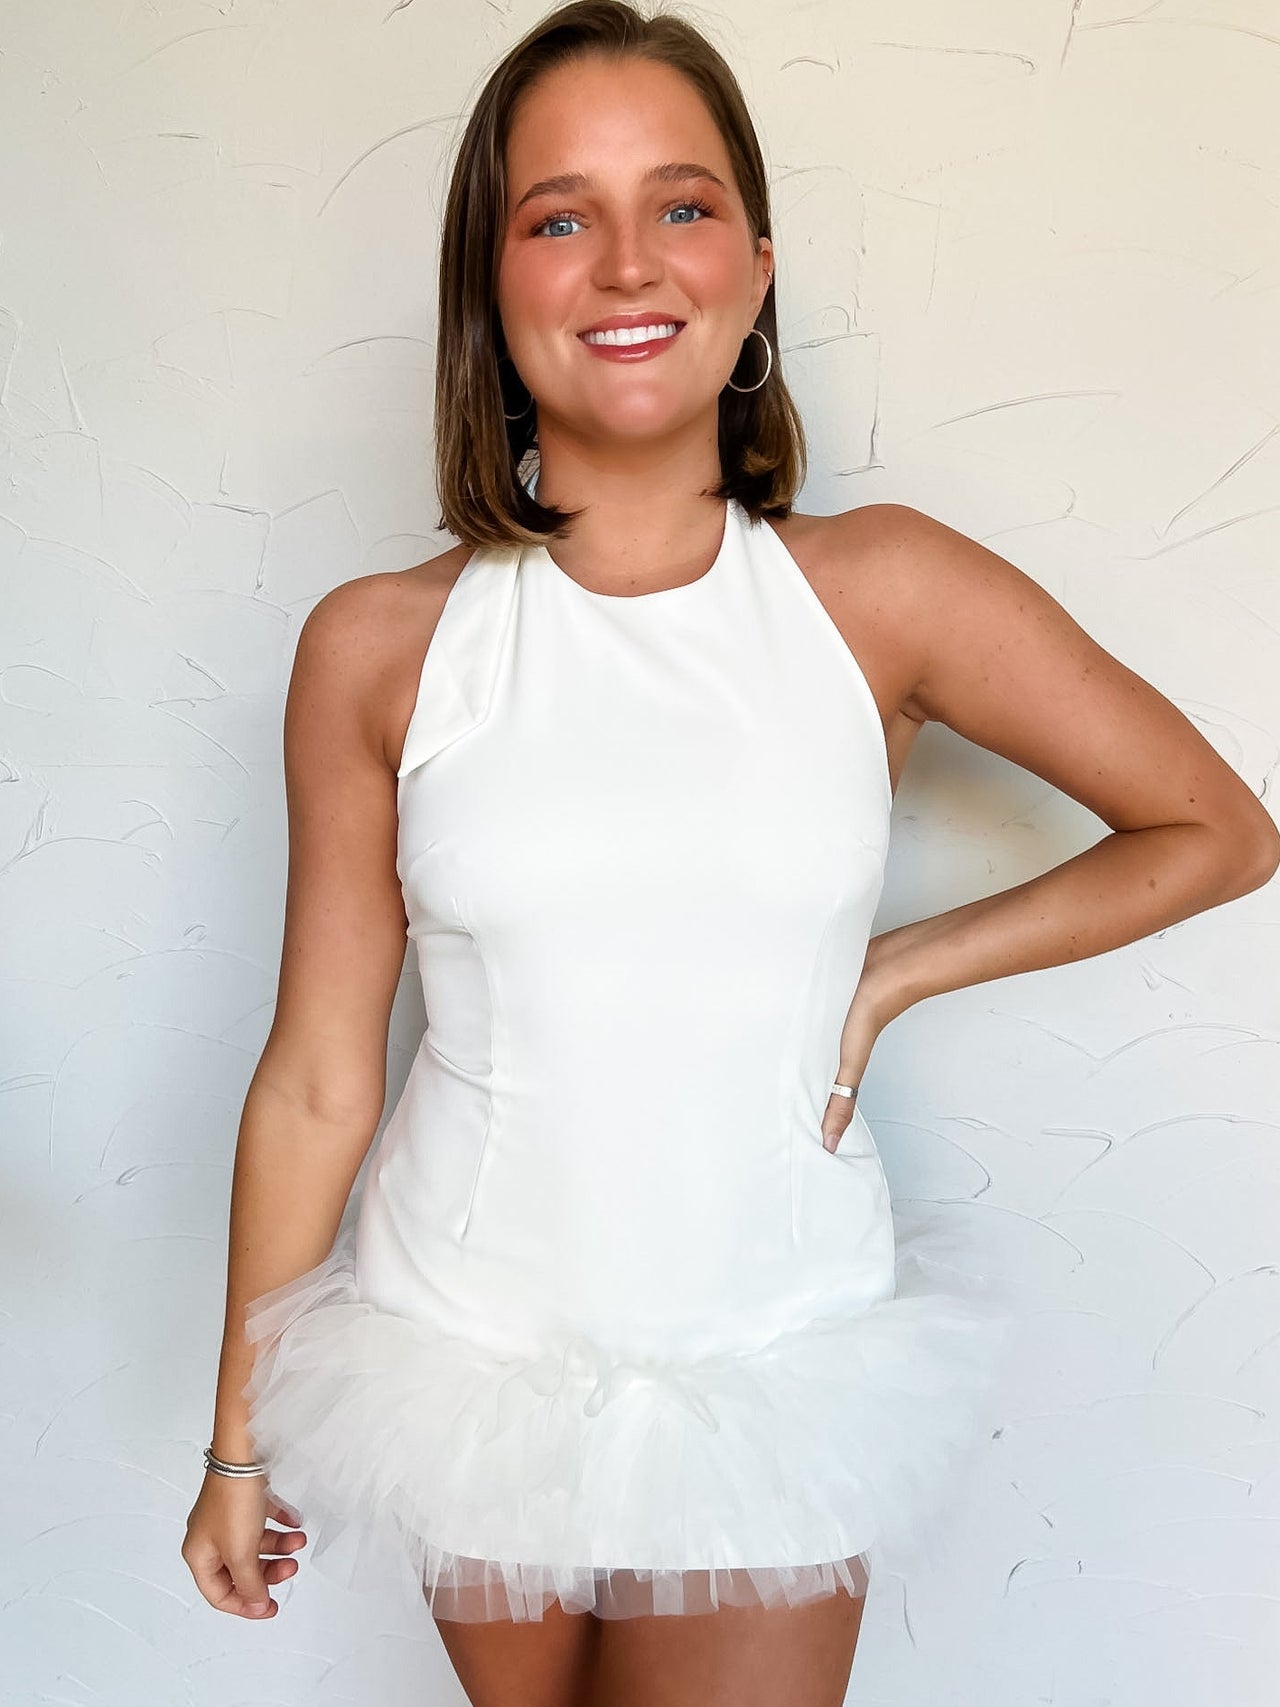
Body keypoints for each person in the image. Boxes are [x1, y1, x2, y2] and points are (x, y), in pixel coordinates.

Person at [181, 4, 1280, 1704]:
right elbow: (319, 1077)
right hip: (455, 1355)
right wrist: (237, 1444)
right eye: (560, 217)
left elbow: (1217, 830)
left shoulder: (884, 591)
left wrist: (895, 972)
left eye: (681, 205)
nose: (628, 263)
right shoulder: (378, 646)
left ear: (756, 269)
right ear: (491, 283)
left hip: (769, 1357)